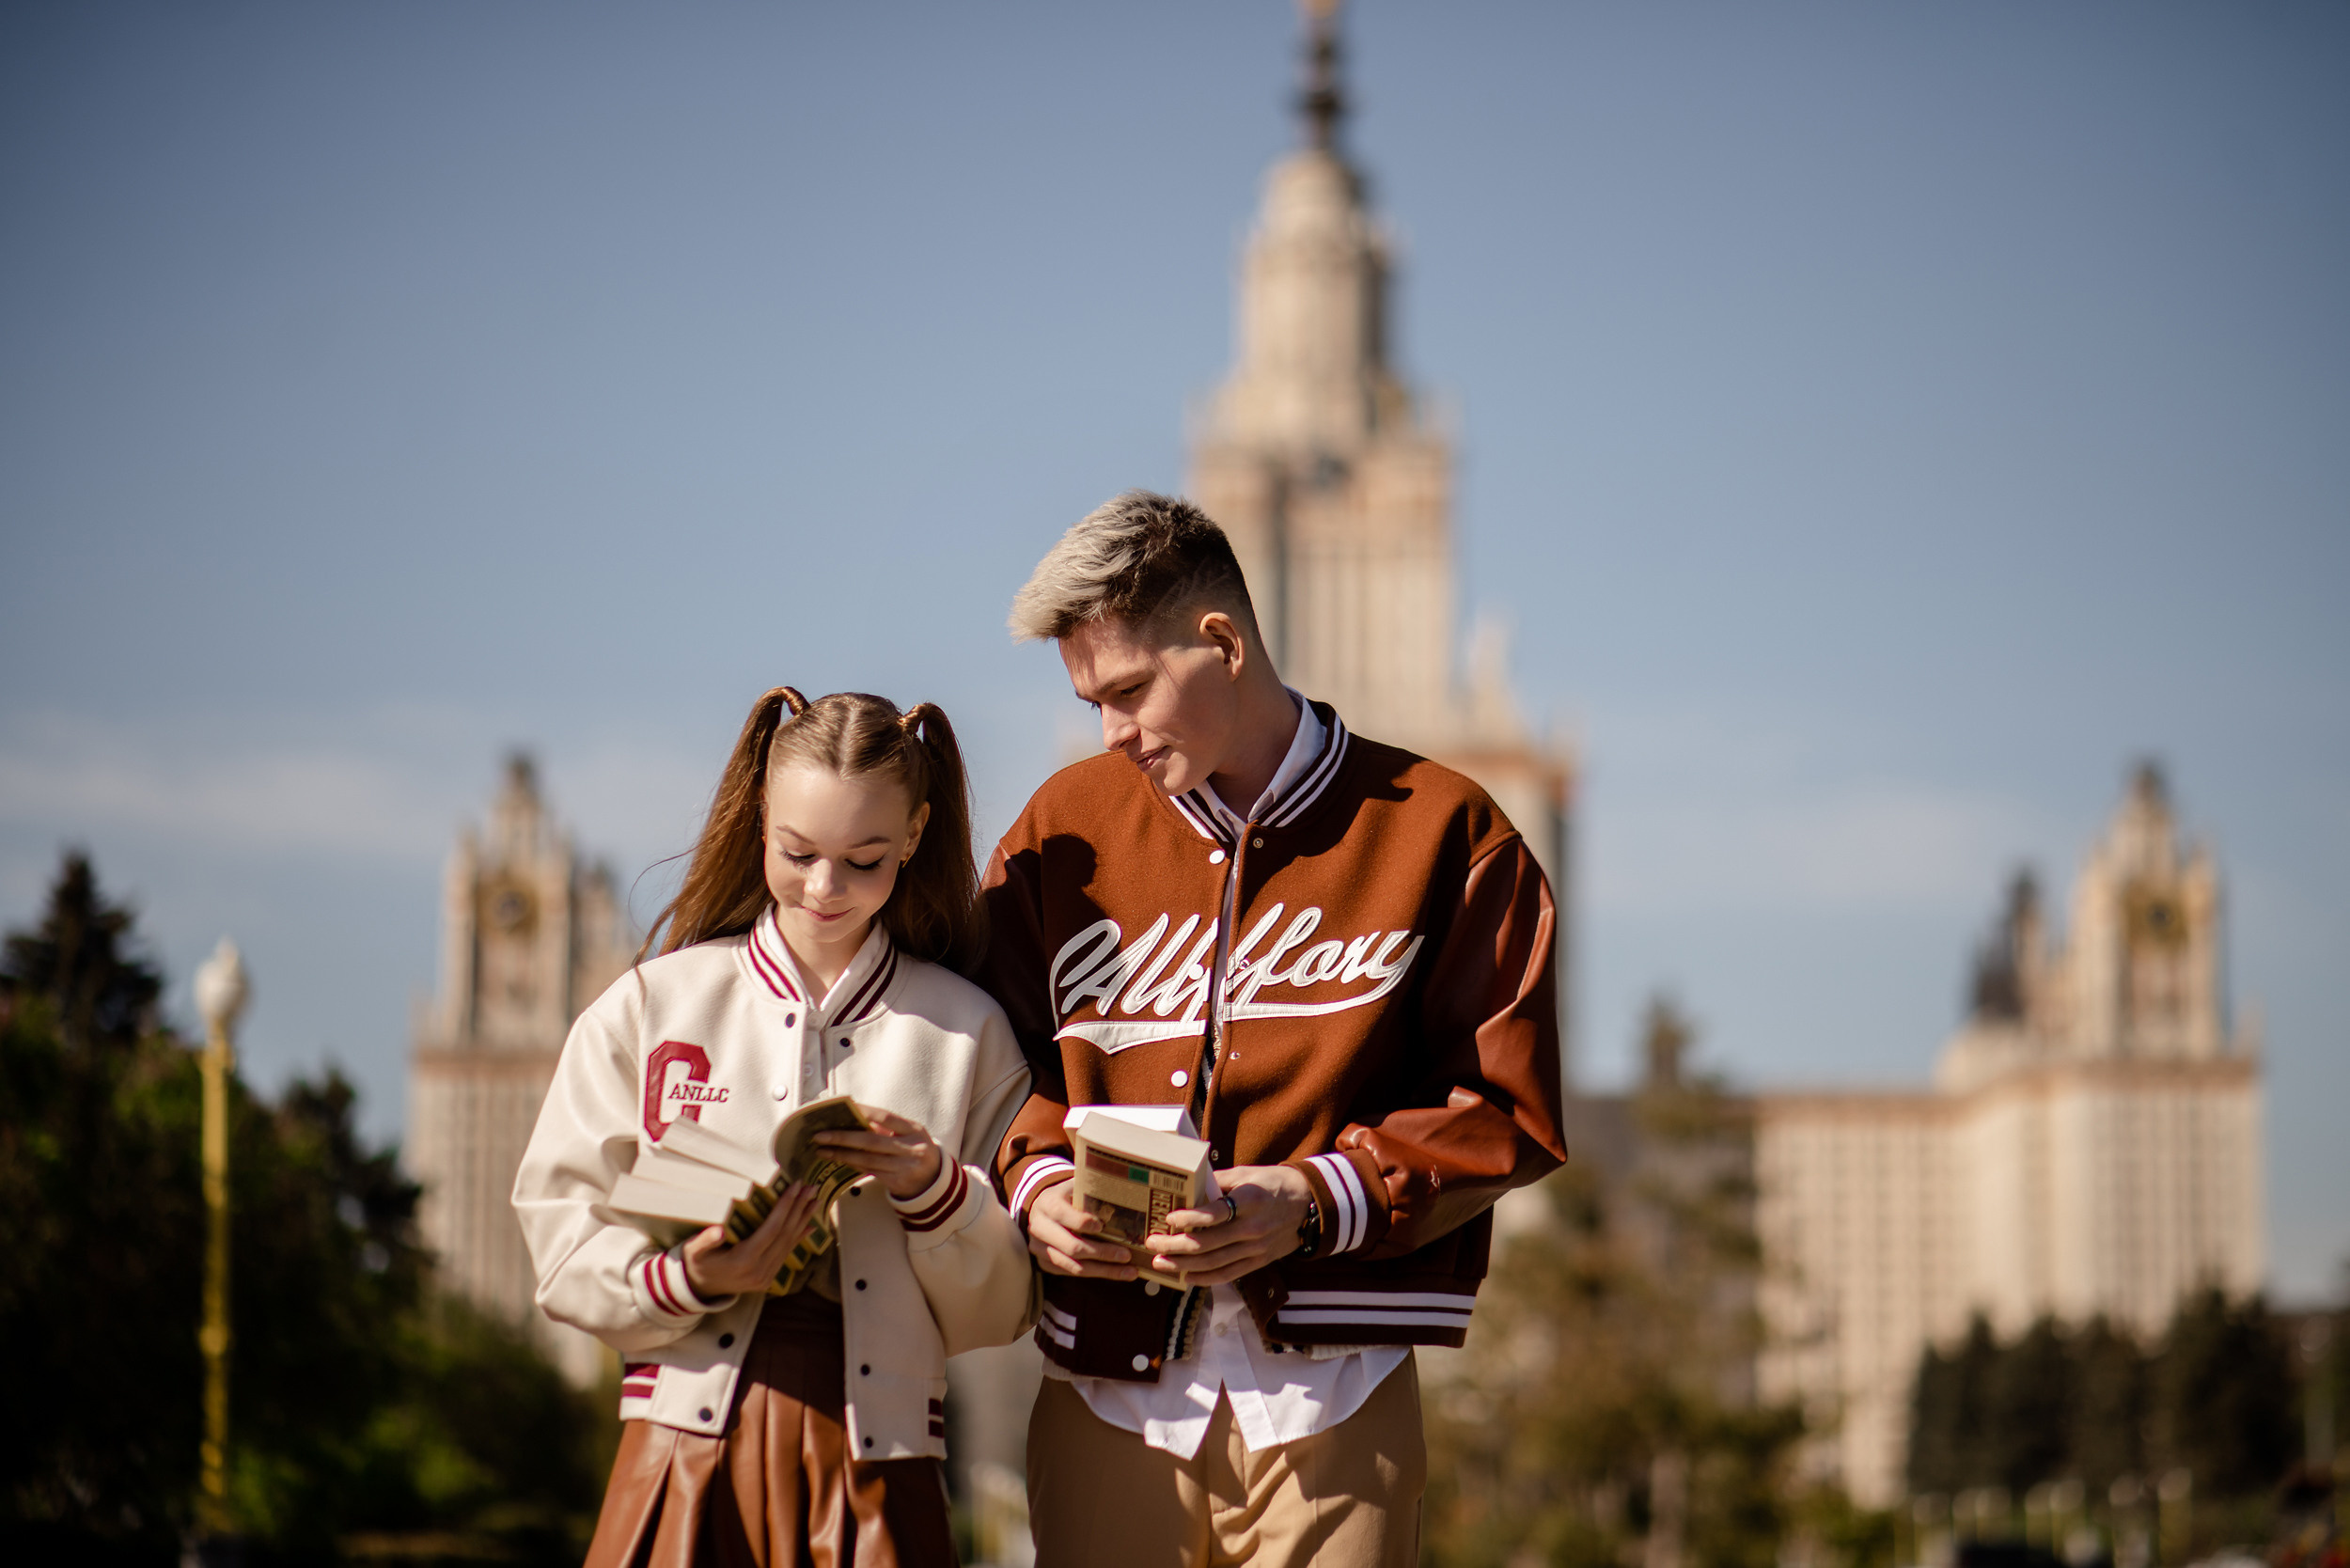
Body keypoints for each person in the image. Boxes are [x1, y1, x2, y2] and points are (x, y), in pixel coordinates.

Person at [980, 491, 1569, 1568]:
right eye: (1089, 701)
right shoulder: (1058, 830)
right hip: (1103, 1391)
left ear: (1220, 642)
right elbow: (985, 1067)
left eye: (1126, 692)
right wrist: (1036, 1187)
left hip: (1337, 1401)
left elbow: (1507, 1109)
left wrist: (1312, 1199)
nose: (1109, 733)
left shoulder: (1448, 832)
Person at [515, 687, 1036, 1568]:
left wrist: (936, 1193)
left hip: (884, 1460)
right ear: (760, 816)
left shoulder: (970, 1033)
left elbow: (1007, 1307)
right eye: (797, 853)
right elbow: (560, 1240)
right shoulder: (650, 1007)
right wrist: (689, 1274)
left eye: (865, 860)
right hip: (680, 1448)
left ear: (914, 837)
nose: (825, 888)